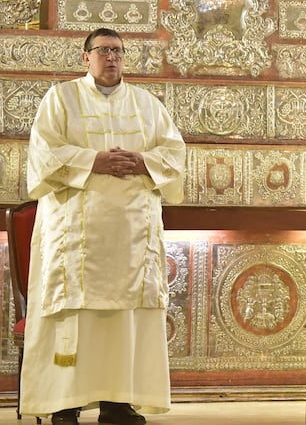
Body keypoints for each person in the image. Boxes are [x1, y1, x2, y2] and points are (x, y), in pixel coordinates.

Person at [20, 28, 187, 425]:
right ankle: (66, 402)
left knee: (125, 320)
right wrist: (94, 161)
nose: (111, 57)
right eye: (102, 50)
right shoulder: (60, 98)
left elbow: (174, 152)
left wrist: (142, 161)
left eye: (117, 51)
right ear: (86, 57)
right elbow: (44, 153)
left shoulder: (147, 104)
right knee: (75, 316)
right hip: (74, 233)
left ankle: (118, 402)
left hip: (131, 235)